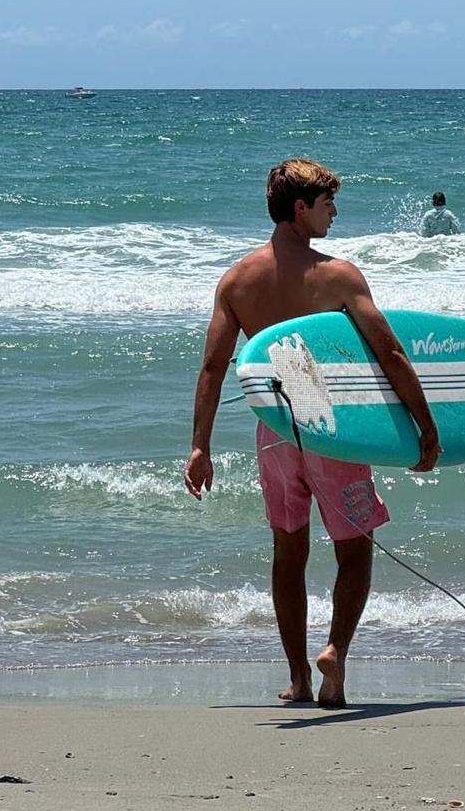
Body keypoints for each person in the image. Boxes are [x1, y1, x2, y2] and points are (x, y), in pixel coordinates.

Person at [184, 157, 441, 709]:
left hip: (275, 434)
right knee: (355, 551)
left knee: (288, 553)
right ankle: (335, 654)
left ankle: (299, 678)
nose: (334, 213)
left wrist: (200, 445)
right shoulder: (336, 276)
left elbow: (212, 367)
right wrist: (426, 426)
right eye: (327, 204)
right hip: (332, 430)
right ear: (300, 209)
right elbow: (389, 351)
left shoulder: (236, 281)